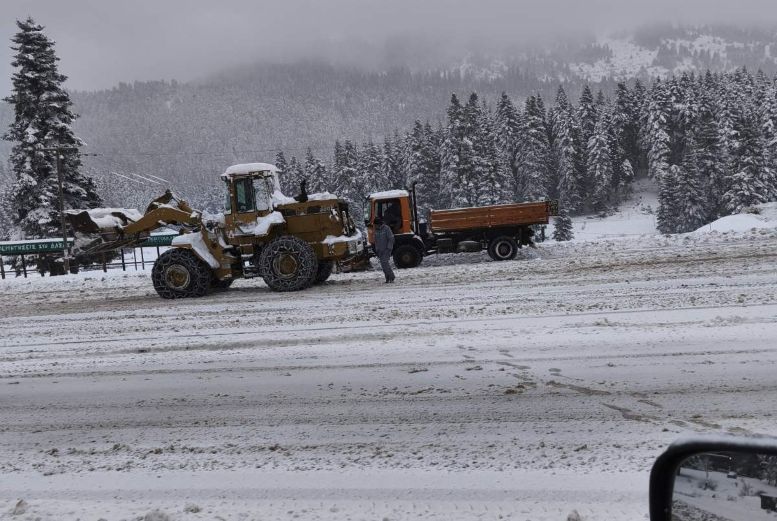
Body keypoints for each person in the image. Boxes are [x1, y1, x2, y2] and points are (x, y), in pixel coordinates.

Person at [373, 216, 395, 283]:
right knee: (383, 265)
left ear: (379, 224)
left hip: (387, 249)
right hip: (380, 250)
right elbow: (376, 241)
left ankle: (392, 277)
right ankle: (387, 278)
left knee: (385, 263)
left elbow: (391, 238)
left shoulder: (386, 228)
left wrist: (389, 248)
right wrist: (377, 249)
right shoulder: (376, 230)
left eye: (375, 225)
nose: (375, 226)